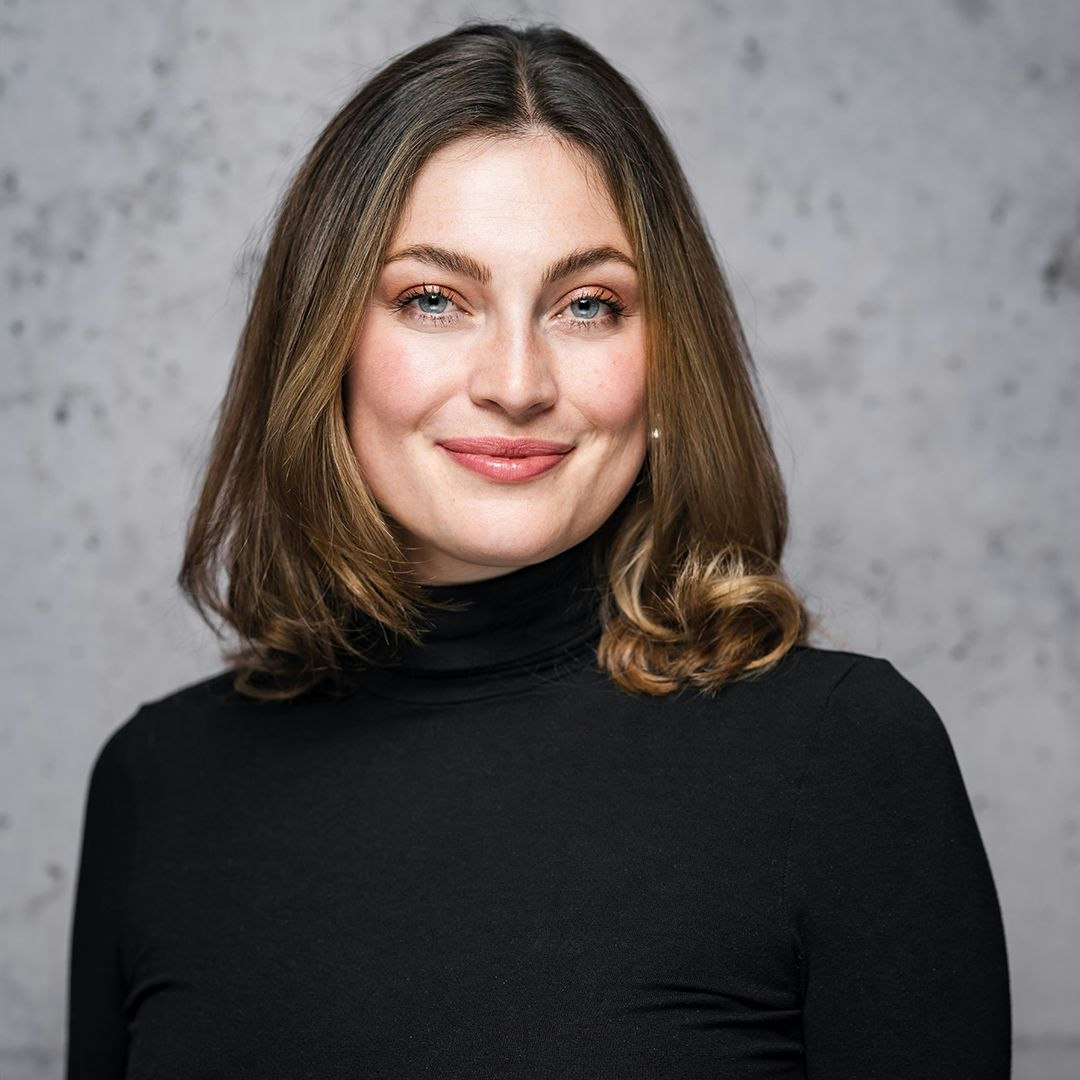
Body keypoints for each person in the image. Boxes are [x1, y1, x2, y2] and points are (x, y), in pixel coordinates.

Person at [66, 20, 1011, 1079]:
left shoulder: (845, 759)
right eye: (433, 300)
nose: (517, 383)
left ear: (666, 358)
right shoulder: (159, 786)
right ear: (324, 344)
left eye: (587, 305)